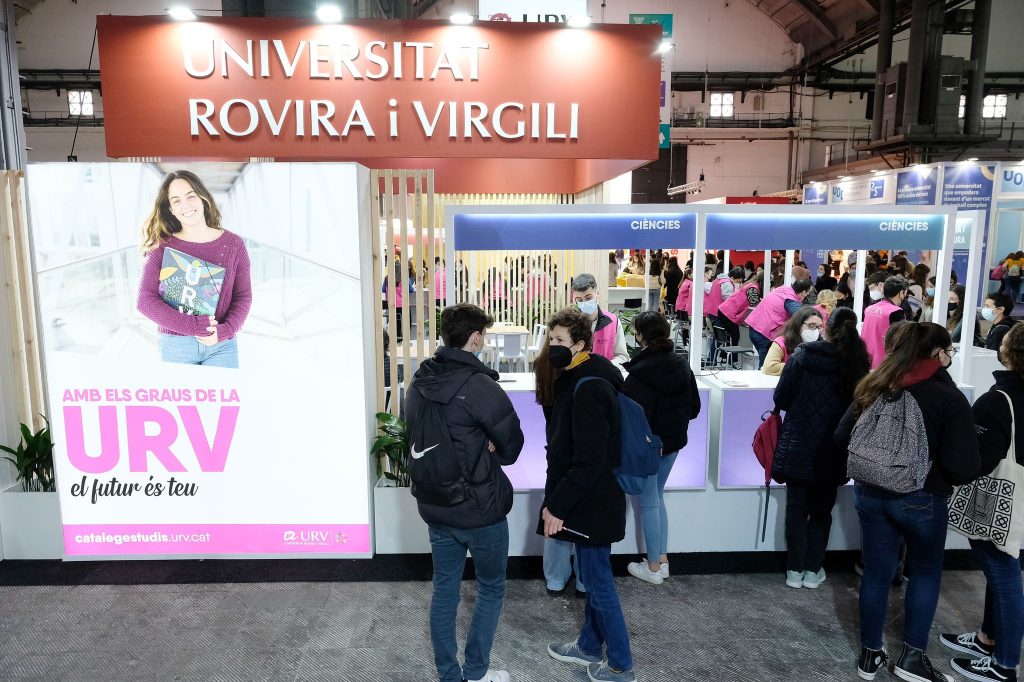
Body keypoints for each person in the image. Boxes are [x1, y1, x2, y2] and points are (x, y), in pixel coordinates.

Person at [835, 322, 980, 682]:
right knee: (926, 573)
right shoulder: (948, 398)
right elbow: (964, 467)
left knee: (877, 573)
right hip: (921, 498)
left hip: (870, 493)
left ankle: (870, 655)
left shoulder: (876, 385)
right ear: (936, 354)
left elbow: (842, 436)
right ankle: (911, 659)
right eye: (949, 350)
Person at [405, 304, 525, 682]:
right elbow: (512, 445)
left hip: (437, 507)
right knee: (491, 588)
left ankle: (449, 676)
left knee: (445, 592)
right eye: (483, 334)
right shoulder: (479, 385)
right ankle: (476, 673)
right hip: (480, 510)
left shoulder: (419, 380)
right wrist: (490, 444)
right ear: (474, 338)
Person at [538, 307, 636, 682]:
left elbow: (589, 460)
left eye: (560, 341)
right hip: (589, 498)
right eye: (551, 339)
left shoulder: (589, 385)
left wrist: (557, 505)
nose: (553, 346)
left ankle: (621, 666)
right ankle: (589, 647)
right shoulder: (579, 376)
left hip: (591, 501)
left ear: (579, 344)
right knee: (594, 578)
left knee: (598, 583)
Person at [942, 323, 1024, 682]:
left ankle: (1005, 663)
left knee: (1003, 575)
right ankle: (988, 639)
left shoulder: (999, 399)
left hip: (1001, 498)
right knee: (1005, 571)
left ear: (1009, 352)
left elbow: (980, 458)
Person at [773, 307, 870, 589]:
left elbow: (781, 397)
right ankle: (813, 570)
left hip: (799, 441)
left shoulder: (803, 356)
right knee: (821, 511)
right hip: (834, 447)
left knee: (795, 508)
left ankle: (794, 570)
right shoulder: (857, 364)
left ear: (826, 328)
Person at [138, 170, 252, 368]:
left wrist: (227, 329)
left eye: (190, 196)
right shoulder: (161, 247)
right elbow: (145, 301)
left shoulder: (234, 245)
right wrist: (193, 326)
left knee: (223, 399)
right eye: (176, 200)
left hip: (222, 344)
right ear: (171, 209)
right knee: (185, 401)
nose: (186, 205)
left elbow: (243, 296)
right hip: (175, 345)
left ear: (203, 198)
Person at [621, 312, 701, 585]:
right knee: (656, 499)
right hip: (673, 444)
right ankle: (662, 560)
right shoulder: (681, 365)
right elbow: (694, 410)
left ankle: (653, 567)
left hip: (647, 447)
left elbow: (630, 421)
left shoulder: (636, 375)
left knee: (650, 502)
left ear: (640, 336)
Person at [745, 278, 813, 368]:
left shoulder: (783, 290)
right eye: (808, 293)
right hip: (764, 333)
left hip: (754, 327)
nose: (807, 295)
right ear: (804, 292)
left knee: (765, 363)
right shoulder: (789, 300)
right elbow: (801, 315)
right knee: (767, 366)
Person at [570, 273, 628, 365]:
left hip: (604, 376)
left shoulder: (613, 322)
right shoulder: (570, 323)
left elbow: (623, 356)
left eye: (588, 298)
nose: (584, 302)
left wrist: (605, 367)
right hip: (576, 376)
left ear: (597, 293)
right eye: (579, 300)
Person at [861, 275, 909, 369]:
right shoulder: (896, 312)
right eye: (905, 293)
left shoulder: (869, 309)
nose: (905, 296)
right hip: (884, 365)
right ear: (901, 293)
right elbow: (901, 340)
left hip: (865, 360)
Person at [762, 306, 823, 377]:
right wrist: (804, 366)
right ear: (798, 324)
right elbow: (769, 367)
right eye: (811, 325)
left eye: (819, 327)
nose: (816, 331)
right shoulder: (781, 342)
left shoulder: (821, 344)